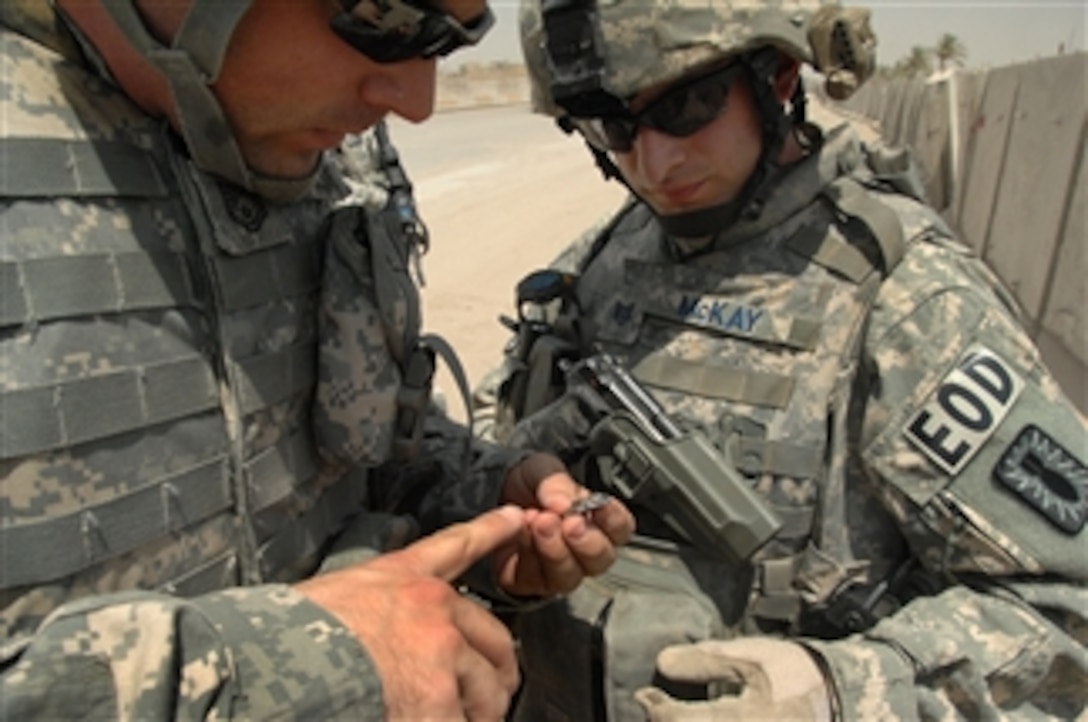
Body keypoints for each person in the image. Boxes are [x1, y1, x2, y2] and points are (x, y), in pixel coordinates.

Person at [0, 0, 635, 719]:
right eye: (389, 17)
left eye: (452, 41)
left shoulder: (330, 158)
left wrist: (481, 502)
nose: (416, 102)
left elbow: (351, 445)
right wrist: (302, 667)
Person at [474, 0, 1088, 719]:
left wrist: (840, 691)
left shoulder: (905, 298)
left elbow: (1062, 606)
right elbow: (499, 432)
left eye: (688, 106)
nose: (655, 161)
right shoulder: (608, 256)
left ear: (781, 74)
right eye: (612, 125)